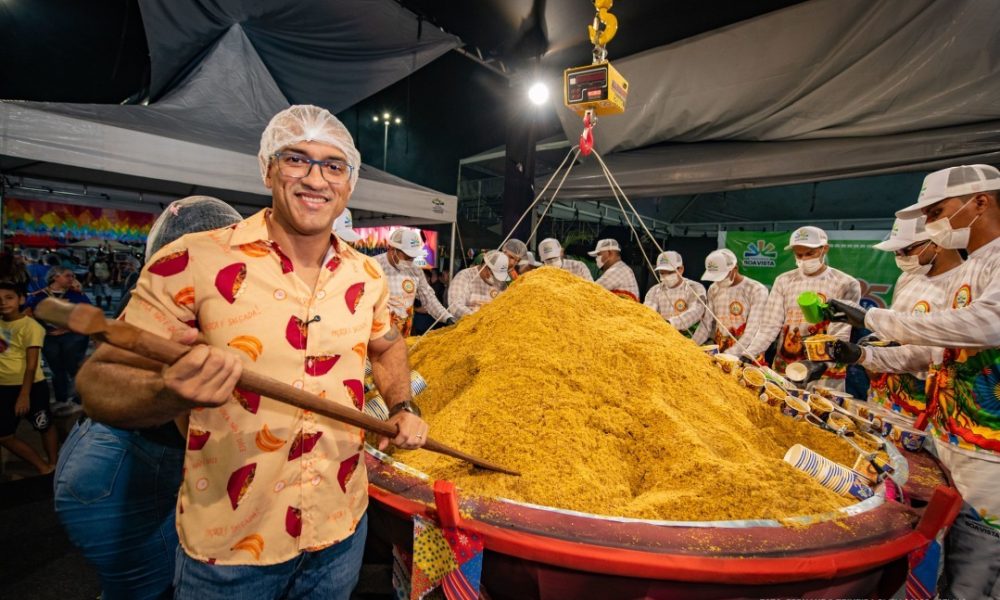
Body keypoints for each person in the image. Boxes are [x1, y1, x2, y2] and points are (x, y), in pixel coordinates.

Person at [75, 105, 428, 600]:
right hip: (231, 547)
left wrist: (402, 405)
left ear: (349, 184)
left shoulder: (366, 276)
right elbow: (98, 384)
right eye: (296, 159)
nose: (316, 179)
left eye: (333, 165)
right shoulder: (192, 260)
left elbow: (387, 348)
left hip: (339, 529)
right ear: (267, 169)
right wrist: (167, 390)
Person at [53, 196, 244, 600]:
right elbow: (186, 416)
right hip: (124, 465)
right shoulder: (175, 306)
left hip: (110, 455)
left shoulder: (163, 292)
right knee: (150, 590)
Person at [825, 165, 1000, 600]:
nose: (933, 223)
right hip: (946, 432)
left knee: (977, 561)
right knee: (947, 548)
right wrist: (864, 355)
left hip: (990, 446)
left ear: (980, 202)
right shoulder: (971, 268)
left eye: (937, 212)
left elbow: (988, 323)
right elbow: (930, 352)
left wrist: (873, 318)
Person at [855, 216, 963, 417]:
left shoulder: (961, 285)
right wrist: (872, 342)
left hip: (922, 396)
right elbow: (895, 322)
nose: (900, 257)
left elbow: (935, 352)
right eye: (896, 252)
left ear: (937, 243)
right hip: (884, 388)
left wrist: (868, 356)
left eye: (907, 250)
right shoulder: (908, 277)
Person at [739, 226, 861, 390]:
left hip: (825, 374)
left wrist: (821, 364)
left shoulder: (845, 283)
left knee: (820, 406)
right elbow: (769, 325)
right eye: (799, 255)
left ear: (824, 249)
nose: (804, 259)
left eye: (810, 253)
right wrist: (750, 353)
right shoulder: (784, 281)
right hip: (786, 368)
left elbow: (840, 333)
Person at [0, 280, 57, 475]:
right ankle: (43, 467)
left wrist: (24, 395)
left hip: (30, 387)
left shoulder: (30, 326)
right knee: (4, 435)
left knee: (44, 425)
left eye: (9, 297)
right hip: (4, 387)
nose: (3, 302)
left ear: (21, 299)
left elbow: (32, 365)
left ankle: (54, 464)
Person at [25, 266, 92, 415]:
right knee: (56, 369)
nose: (72, 279)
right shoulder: (39, 296)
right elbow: (26, 313)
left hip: (73, 336)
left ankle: (78, 400)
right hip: (49, 337)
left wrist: (67, 328)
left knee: (73, 367)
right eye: (68, 275)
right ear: (55, 277)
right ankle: (62, 399)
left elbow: (89, 315)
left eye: (73, 276)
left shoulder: (76, 295)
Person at [375, 228, 455, 335]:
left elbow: (429, 298)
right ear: (392, 249)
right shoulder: (373, 265)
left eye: (413, 257)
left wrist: (447, 317)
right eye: (407, 256)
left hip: (404, 332)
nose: (410, 261)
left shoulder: (415, 270)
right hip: (378, 332)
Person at [692, 249, 769, 353]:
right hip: (721, 351)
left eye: (722, 276)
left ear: (735, 269)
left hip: (747, 354)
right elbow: (706, 325)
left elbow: (753, 330)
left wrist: (731, 354)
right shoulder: (713, 289)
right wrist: (691, 346)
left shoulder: (756, 290)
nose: (718, 281)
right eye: (715, 277)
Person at [643, 251, 707, 338]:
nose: (665, 276)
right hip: (661, 336)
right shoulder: (654, 290)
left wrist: (670, 323)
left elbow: (696, 312)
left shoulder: (694, 288)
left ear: (681, 269)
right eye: (662, 273)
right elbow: (648, 311)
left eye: (670, 272)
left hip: (688, 339)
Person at [447, 250, 509, 318]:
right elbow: (455, 305)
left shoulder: (501, 284)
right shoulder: (465, 276)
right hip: (468, 322)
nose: (494, 278)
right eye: (493, 274)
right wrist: (476, 318)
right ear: (485, 266)